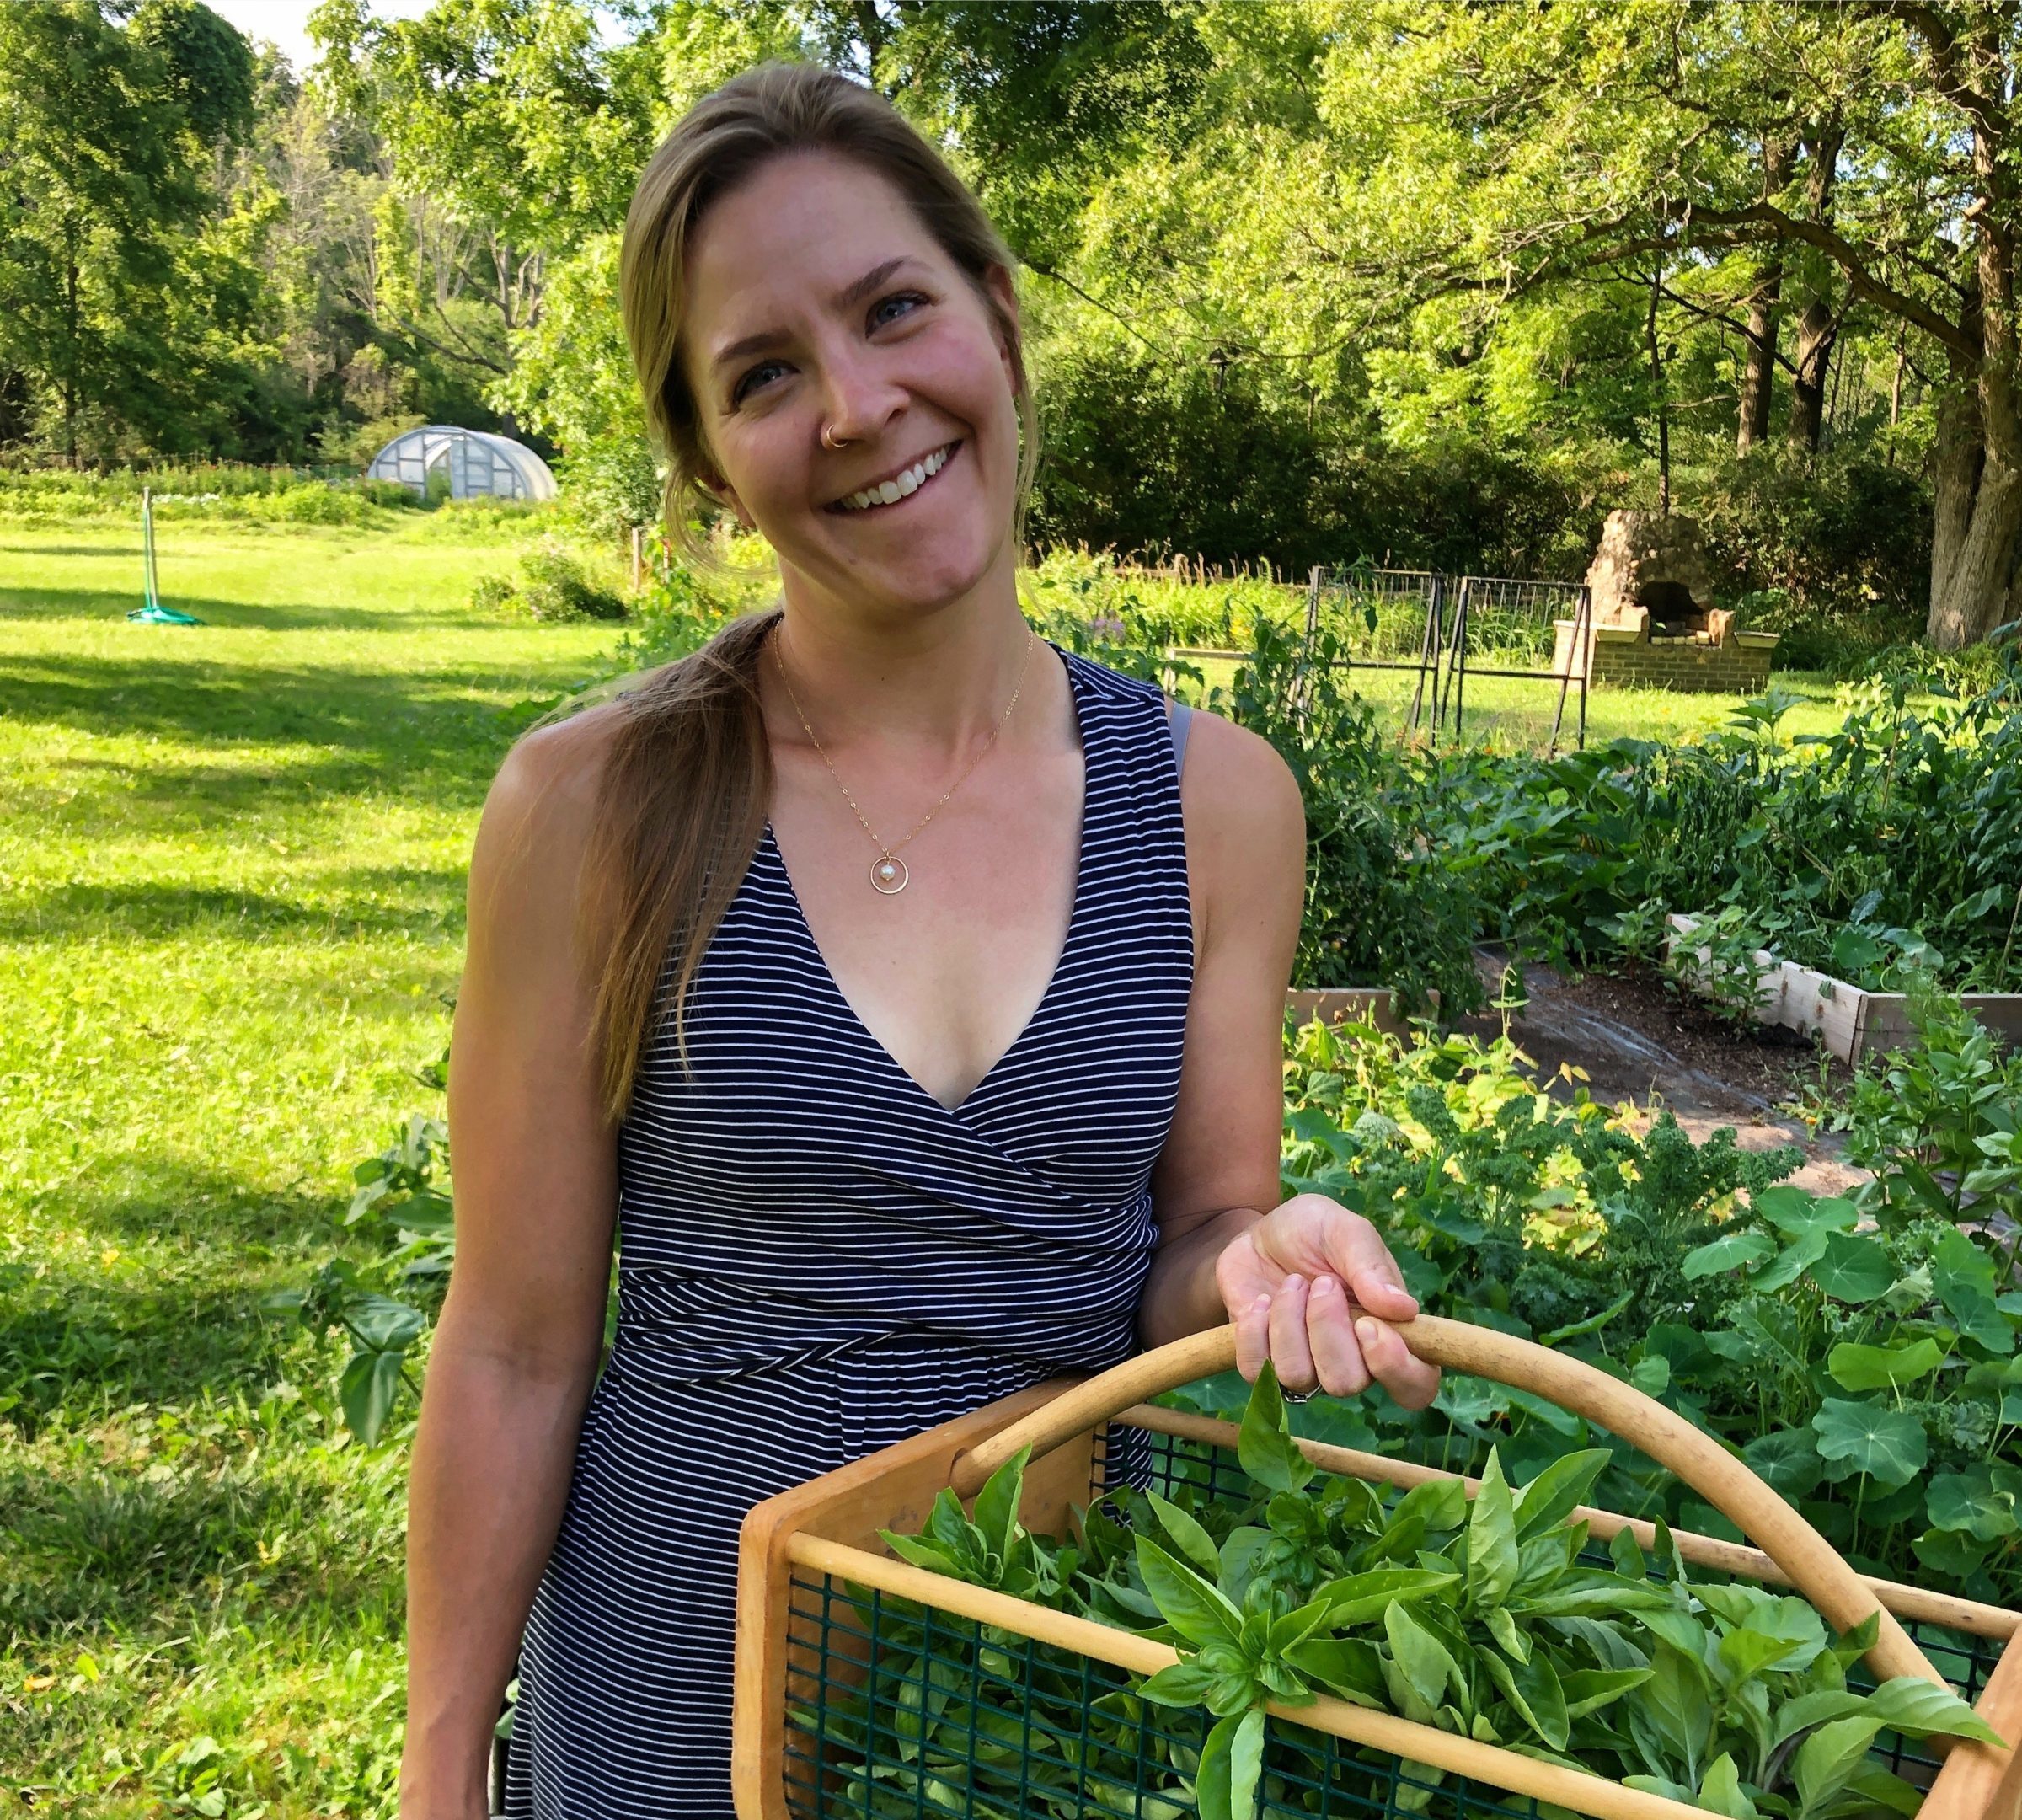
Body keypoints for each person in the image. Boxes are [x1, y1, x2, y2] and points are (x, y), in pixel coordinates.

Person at [397, 59, 1442, 1820]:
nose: (861, 405)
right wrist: (438, 1770)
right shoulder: (593, 805)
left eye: (894, 309)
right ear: (711, 463)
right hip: (669, 1700)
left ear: (999, 320)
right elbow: (509, 1342)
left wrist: (1263, 1263)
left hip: (1034, 1709)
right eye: (765, 376)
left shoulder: (1220, 806)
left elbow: (1194, 1239)